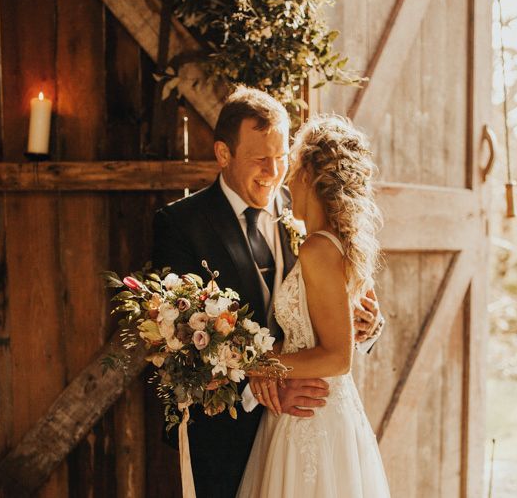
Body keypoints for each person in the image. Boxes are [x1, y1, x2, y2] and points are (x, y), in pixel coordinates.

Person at [152, 87, 384, 498]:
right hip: (225, 432)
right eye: (261, 159)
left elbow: (334, 317)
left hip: (305, 423)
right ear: (224, 154)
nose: (274, 171)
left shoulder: (305, 215)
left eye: (281, 157)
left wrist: (366, 323)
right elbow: (182, 345)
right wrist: (261, 383)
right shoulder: (181, 225)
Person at [236, 114, 391, 497]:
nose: (286, 178)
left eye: (294, 164)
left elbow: (338, 357)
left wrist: (261, 365)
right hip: (320, 409)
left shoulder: (318, 248)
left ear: (309, 174)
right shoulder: (339, 243)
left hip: (312, 413)